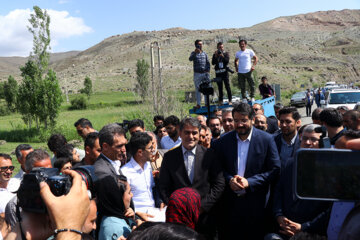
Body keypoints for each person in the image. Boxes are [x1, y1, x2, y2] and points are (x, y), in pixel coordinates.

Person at [213, 102, 280, 240]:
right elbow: (218, 168)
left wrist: (249, 182)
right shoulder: (224, 141)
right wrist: (229, 179)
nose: (240, 124)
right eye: (236, 120)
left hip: (258, 205)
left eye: (244, 120)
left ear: (252, 119)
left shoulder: (266, 140)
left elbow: (275, 169)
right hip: (231, 206)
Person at [159, 117, 224, 239]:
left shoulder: (210, 155)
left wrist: (201, 207)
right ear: (180, 133)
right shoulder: (169, 157)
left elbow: (219, 184)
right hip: (179, 222)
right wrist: (177, 207)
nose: (191, 136)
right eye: (187, 132)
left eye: (194, 133)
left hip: (205, 218)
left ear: (199, 134)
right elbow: (163, 186)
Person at [267, 124, 331, 240]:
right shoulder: (290, 163)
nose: (307, 142)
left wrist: (303, 227)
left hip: (314, 233)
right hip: (285, 228)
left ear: (323, 143)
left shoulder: (330, 169)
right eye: (305, 138)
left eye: (313, 139)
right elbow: (279, 191)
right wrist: (279, 215)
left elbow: (330, 209)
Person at [94, 123, 134, 233]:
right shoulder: (102, 172)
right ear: (105, 146)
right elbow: (114, 209)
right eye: (119, 146)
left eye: (124, 145)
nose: (124, 149)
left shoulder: (113, 162)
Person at [121, 132, 162, 213]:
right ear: (140, 152)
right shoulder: (125, 172)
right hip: (139, 217)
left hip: (154, 212)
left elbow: (152, 189)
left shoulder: (148, 166)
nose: (153, 150)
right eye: (150, 148)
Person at [97, 175, 136, 240]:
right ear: (118, 198)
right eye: (128, 192)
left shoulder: (105, 216)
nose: (131, 195)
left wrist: (132, 220)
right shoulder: (118, 229)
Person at [189, 39, 211, 109]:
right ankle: (198, 104)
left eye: (201, 44)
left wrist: (208, 71)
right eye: (199, 44)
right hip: (197, 74)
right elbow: (190, 59)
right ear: (196, 45)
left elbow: (208, 62)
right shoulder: (193, 53)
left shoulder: (205, 53)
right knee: (198, 89)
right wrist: (195, 53)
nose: (200, 45)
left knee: (206, 88)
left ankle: (206, 103)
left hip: (205, 74)